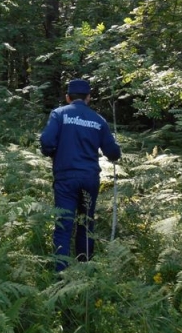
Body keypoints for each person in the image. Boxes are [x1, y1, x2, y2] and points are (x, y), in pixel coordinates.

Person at [40, 79, 121, 272]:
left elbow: (46, 142)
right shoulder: (98, 120)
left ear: (68, 97)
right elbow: (113, 152)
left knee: (63, 224)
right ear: (88, 98)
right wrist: (115, 152)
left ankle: (61, 274)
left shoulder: (59, 114)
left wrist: (54, 153)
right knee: (86, 222)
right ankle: (85, 268)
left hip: (66, 178)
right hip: (90, 178)